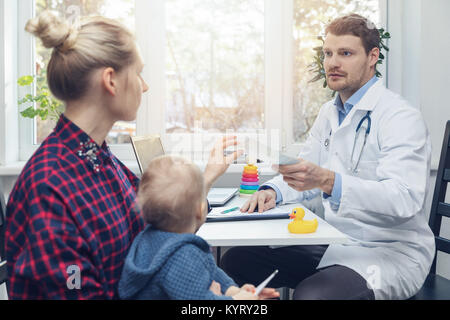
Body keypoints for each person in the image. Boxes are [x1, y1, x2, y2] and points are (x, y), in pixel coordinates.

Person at [5, 11, 240, 300]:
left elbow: (165, 232)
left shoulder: (104, 164)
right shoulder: (50, 188)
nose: (144, 85)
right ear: (111, 81)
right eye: (138, 72)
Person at [222, 14, 435, 300]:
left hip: (390, 252)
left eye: (346, 53)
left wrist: (329, 181)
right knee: (236, 263)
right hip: (337, 242)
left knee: (314, 296)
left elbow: (404, 198)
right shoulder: (328, 113)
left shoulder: (399, 117)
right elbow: (306, 173)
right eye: (328, 53)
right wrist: (273, 190)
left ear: (373, 57)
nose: (333, 63)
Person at [118, 156, 279, 300]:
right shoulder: (182, 255)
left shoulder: (151, 238)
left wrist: (233, 291)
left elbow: (211, 270)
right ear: (201, 209)